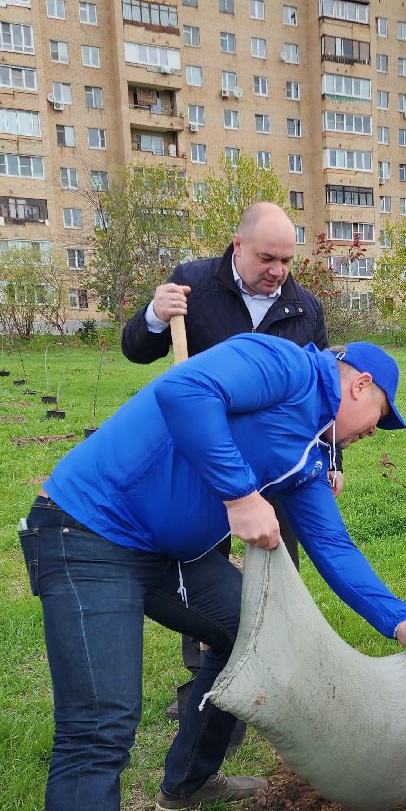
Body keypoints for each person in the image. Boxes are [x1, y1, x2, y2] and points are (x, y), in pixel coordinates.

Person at [17, 333, 406, 811]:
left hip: (167, 552)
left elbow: (334, 547)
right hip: (87, 531)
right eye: (382, 416)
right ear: (359, 384)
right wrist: (239, 495)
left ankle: (189, 781)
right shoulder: (284, 367)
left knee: (243, 634)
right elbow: (183, 390)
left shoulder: (308, 457)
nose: (377, 433)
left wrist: (399, 623)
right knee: (96, 735)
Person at [122, 201, 335, 722]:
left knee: (275, 559)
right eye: (267, 258)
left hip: (274, 467)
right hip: (202, 465)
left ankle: (272, 669)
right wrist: (154, 315)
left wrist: (331, 457)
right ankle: (207, 681)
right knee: (203, 570)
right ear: (238, 246)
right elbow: (135, 349)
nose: (278, 272)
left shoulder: (304, 308)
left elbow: (325, 394)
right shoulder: (193, 287)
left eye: (287, 261)